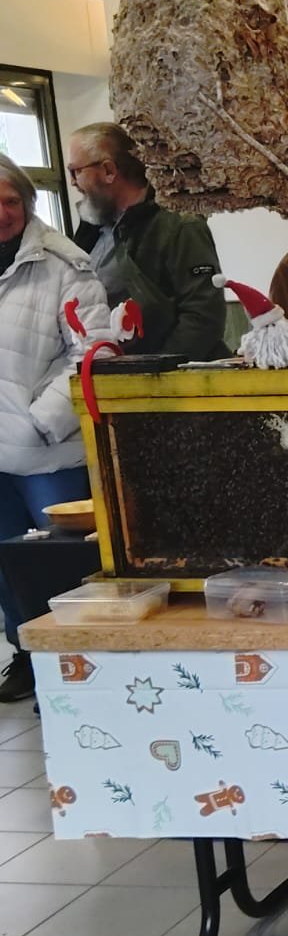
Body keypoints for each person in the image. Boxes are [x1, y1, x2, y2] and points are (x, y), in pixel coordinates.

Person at [0, 156, 110, 701]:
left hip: (46, 451)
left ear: (28, 203)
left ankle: (75, 671)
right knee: (7, 565)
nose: (1, 213)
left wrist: (42, 422)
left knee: (61, 569)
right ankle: (24, 658)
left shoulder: (66, 264)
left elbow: (91, 351)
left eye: (10, 201)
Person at [67, 123, 227, 361]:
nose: (72, 182)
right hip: (107, 377)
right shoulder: (91, 231)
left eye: (76, 171)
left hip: (164, 385)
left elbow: (203, 318)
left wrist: (154, 374)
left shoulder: (180, 226)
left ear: (109, 171)